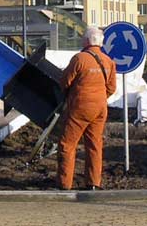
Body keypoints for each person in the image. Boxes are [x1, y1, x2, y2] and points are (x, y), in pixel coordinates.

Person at [57, 26, 116, 190]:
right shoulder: (109, 61)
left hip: (80, 107)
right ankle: (93, 183)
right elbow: (111, 88)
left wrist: (71, 95)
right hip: (100, 108)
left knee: (67, 144)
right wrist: (98, 98)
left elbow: (65, 82)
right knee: (94, 145)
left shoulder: (79, 58)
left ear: (87, 41)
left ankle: (64, 184)